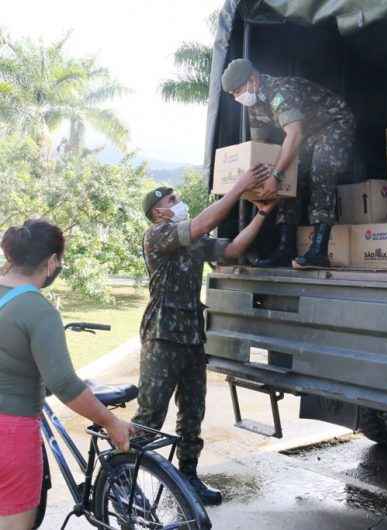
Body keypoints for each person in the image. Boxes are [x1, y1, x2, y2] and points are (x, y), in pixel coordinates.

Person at [132, 164, 275, 506]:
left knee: (192, 413)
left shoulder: (194, 240)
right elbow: (204, 223)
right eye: (173, 198)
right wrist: (239, 186)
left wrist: (261, 215)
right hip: (163, 337)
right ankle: (125, 478)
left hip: (192, 337)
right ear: (158, 212)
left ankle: (189, 477)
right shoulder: (157, 235)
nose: (179, 202)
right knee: (151, 416)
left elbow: (232, 250)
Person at [0, 219, 133, 530]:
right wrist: (110, 422)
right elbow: (64, 384)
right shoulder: (38, 310)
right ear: (51, 262)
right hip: (10, 434)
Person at [221, 58, 356, 269]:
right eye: (234, 94)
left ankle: (319, 251)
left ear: (253, 80)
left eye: (239, 90)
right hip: (309, 132)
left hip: (333, 121)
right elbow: (260, 147)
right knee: (291, 177)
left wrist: (275, 176)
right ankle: (286, 249)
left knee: (320, 169)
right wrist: (258, 188)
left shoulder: (280, 92)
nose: (238, 97)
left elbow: (294, 134)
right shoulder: (255, 103)